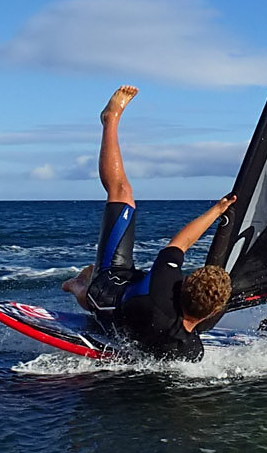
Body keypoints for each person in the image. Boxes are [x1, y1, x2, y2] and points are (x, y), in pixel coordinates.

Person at [61, 85, 234, 361]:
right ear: (212, 313)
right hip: (133, 300)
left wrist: (217, 210)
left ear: (185, 282)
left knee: (122, 193)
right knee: (123, 285)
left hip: (109, 293)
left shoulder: (165, 282)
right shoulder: (190, 350)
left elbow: (182, 242)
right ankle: (82, 280)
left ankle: (111, 119)